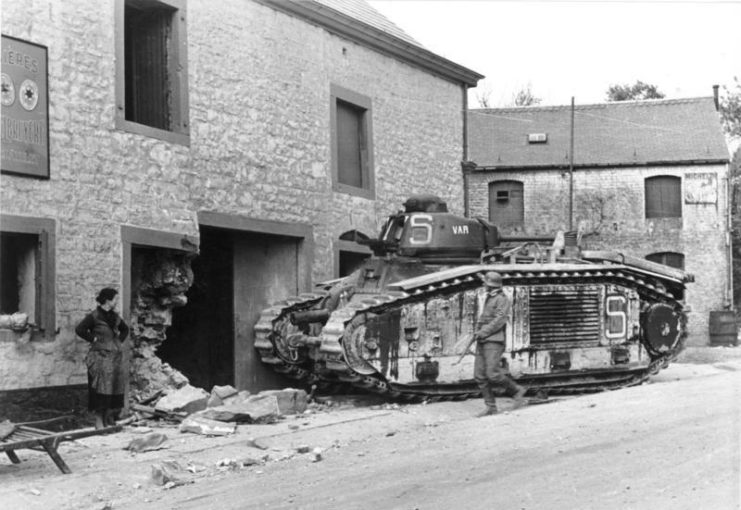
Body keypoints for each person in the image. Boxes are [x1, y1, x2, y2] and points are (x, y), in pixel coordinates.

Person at [471, 271, 527, 416]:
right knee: (479, 376)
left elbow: (499, 320)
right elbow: (485, 318)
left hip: (494, 341)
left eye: (485, 282)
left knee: (493, 374)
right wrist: (477, 332)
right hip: (483, 340)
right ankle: (491, 407)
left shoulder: (502, 299)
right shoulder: (490, 297)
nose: (483, 284)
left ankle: (517, 390)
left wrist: (483, 332)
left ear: (490, 285)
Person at [75, 288, 129, 429]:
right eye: (115, 299)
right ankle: (98, 421)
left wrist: (117, 342)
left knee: (113, 388)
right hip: (99, 358)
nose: (117, 301)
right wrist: (93, 339)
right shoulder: (94, 316)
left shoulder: (115, 317)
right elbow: (80, 329)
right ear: (107, 300)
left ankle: (107, 419)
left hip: (114, 359)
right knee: (100, 389)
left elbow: (125, 329)